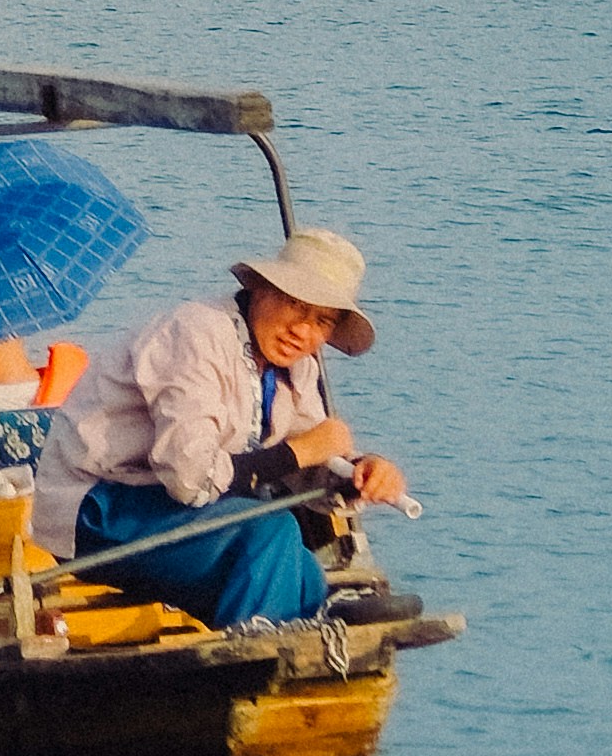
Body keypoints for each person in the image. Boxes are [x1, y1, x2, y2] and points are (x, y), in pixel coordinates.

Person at [34, 226, 407, 629]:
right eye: (295, 306)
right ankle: (255, 655)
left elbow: (309, 463)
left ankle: (300, 633)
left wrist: (358, 473)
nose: (304, 330)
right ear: (263, 288)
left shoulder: (297, 365)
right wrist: (301, 450)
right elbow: (190, 478)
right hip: (98, 510)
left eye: (322, 320)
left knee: (304, 572)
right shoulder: (198, 333)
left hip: (179, 510)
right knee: (271, 532)